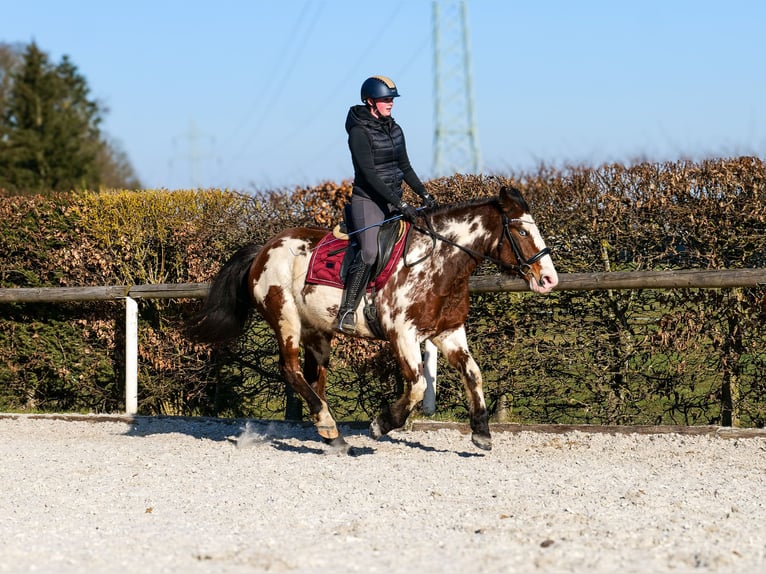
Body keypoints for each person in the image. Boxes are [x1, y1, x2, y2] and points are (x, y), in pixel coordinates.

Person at [337, 75, 436, 334]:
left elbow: (405, 167)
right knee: (369, 252)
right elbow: (369, 175)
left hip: (393, 200)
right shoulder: (358, 133)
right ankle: (347, 308)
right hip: (368, 200)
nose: (390, 103)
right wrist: (401, 203)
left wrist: (425, 194)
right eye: (385, 99)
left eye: (392, 99)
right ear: (370, 102)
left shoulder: (395, 129)